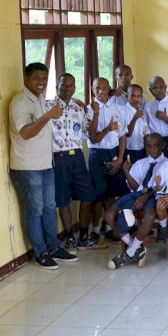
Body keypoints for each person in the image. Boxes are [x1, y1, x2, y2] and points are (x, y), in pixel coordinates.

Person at [9, 63, 78, 269]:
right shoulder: (20, 102)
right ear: (26, 79)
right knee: (35, 210)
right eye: (37, 78)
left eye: (44, 78)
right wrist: (47, 116)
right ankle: (41, 252)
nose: (41, 82)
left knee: (49, 207)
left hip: (45, 163)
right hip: (27, 166)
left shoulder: (39, 99)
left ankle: (54, 247)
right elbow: (25, 133)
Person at [46, 74, 98, 251]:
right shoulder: (47, 106)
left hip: (77, 156)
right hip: (58, 157)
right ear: (57, 87)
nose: (68, 88)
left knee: (88, 195)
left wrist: (96, 113)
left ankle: (83, 235)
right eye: (64, 85)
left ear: (75, 87)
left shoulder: (78, 108)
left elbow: (89, 131)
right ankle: (70, 238)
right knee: (63, 200)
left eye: (71, 85)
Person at [105, 134, 166, 269]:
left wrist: (145, 196)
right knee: (109, 215)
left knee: (149, 216)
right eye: (149, 146)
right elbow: (134, 187)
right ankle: (137, 248)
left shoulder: (167, 163)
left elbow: (163, 188)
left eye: (156, 145)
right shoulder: (140, 163)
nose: (153, 149)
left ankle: (129, 252)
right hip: (135, 196)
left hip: (153, 196)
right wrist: (126, 172)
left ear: (163, 145)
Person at [87, 77, 127, 243]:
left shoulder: (118, 108)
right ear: (92, 90)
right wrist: (107, 127)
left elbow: (123, 135)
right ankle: (95, 229)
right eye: (98, 88)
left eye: (104, 87)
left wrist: (120, 159)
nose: (101, 91)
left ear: (109, 88)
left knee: (110, 193)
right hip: (97, 153)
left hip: (114, 153)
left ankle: (109, 227)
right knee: (98, 195)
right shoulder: (89, 110)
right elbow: (93, 138)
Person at [121, 84, 149, 163]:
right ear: (127, 96)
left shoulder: (142, 112)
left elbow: (146, 133)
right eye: (132, 95)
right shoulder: (122, 111)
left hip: (141, 150)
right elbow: (127, 133)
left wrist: (147, 152)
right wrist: (135, 118)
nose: (135, 99)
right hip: (128, 151)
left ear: (142, 98)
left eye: (138, 96)